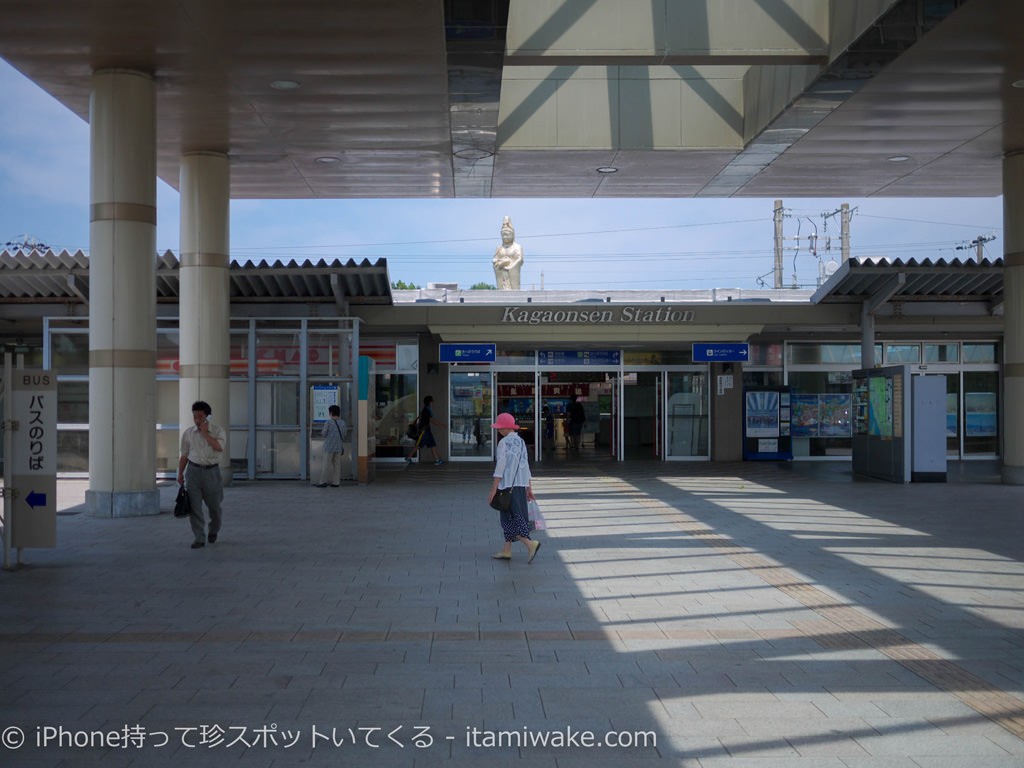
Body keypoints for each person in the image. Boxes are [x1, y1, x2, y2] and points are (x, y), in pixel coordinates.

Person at [488, 412, 541, 563]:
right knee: (514, 517)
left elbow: (500, 467)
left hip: (506, 487)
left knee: (508, 520)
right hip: (520, 486)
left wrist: (493, 489)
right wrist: (529, 487)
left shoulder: (503, 443)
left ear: (505, 428)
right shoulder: (521, 442)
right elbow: (525, 466)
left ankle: (530, 544)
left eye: (499, 428)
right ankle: (506, 550)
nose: (498, 430)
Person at [177, 400, 227, 549]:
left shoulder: (218, 431)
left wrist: (205, 433)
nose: (197, 420)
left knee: (215, 507)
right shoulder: (188, 433)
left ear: (208, 417)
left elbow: (219, 447)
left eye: (200, 416)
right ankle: (199, 537)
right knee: (195, 508)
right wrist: (180, 473)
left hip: (212, 472)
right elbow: (184, 455)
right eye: (195, 417)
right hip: (193, 472)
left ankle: (214, 530)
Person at [405, 395, 447, 465]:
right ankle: (408, 458)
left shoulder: (427, 409)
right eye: (432, 401)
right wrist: (442, 425)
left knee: (432, 444)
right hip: (424, 432)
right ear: (430, 402)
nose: (433, 402)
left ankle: (437, 460)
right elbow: (431, 420)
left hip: (427, 431)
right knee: (418, 445)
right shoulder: (427, 410)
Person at [315, 404, 347, 487]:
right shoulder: (342, 423)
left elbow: (324, 433)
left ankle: (323, 482)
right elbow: (344, 434)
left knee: (326, 464)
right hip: (338, 447)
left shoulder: (328, 422)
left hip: (329, 447)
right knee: (337, 465)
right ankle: (336, 482)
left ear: (331, 412)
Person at [492, 216, 524, 289]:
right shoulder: (499, 248)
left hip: (512, 273)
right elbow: (494, 260)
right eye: (503, 235)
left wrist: (509, 265)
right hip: (501, 275)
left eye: (507, 235)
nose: (505, 237)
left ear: (512, 235)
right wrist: (500, 263)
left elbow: (520, 260)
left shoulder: (517, 247)